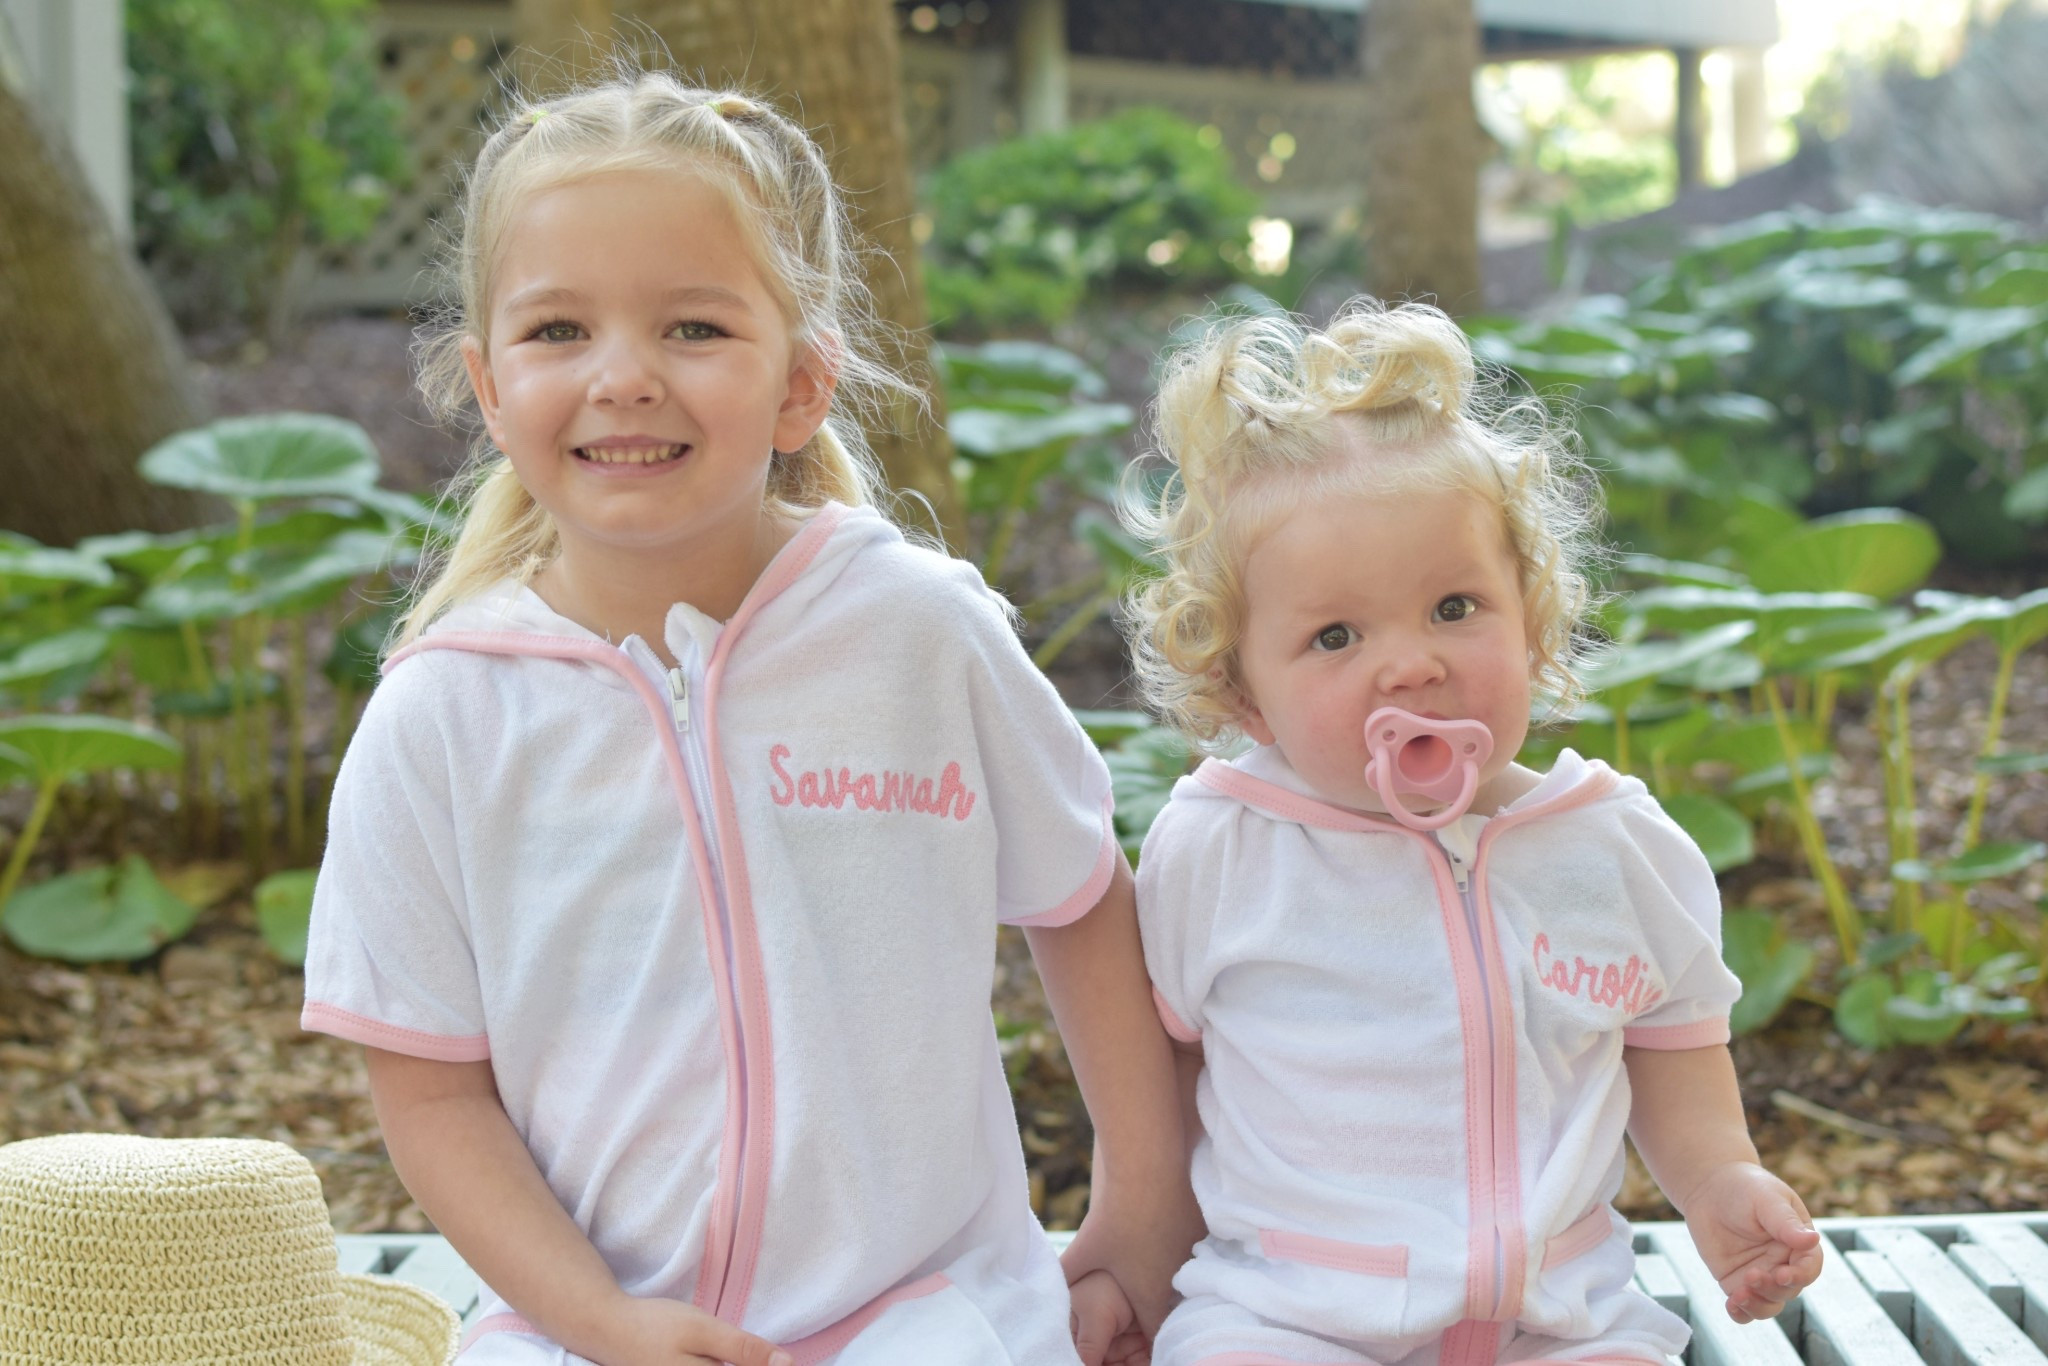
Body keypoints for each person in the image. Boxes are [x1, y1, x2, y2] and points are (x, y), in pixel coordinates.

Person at [300, 69, 1187, 1366]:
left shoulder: (918, 634)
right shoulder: (444, 712)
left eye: (694, 329)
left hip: (927, 1305)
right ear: (490, 389)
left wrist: (1144, 1204)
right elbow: (429, 1087)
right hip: (584, 1320)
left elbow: (1081, 898)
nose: (624, 378)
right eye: (558, 332)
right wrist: (599, 1319)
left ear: (801, 385)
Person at [1072, 299, 1824, 1366]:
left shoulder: (1611, 847)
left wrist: (1719, 1182)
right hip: (1290, 1308)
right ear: (1242, 692)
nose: (1409, 663)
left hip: (1556, 1315)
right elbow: (1169, 1074)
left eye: (1454, 607)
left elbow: (1673, 1045)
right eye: (1334, 634)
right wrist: (1141, 1247)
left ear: (1532, 614)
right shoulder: (1224, 847)